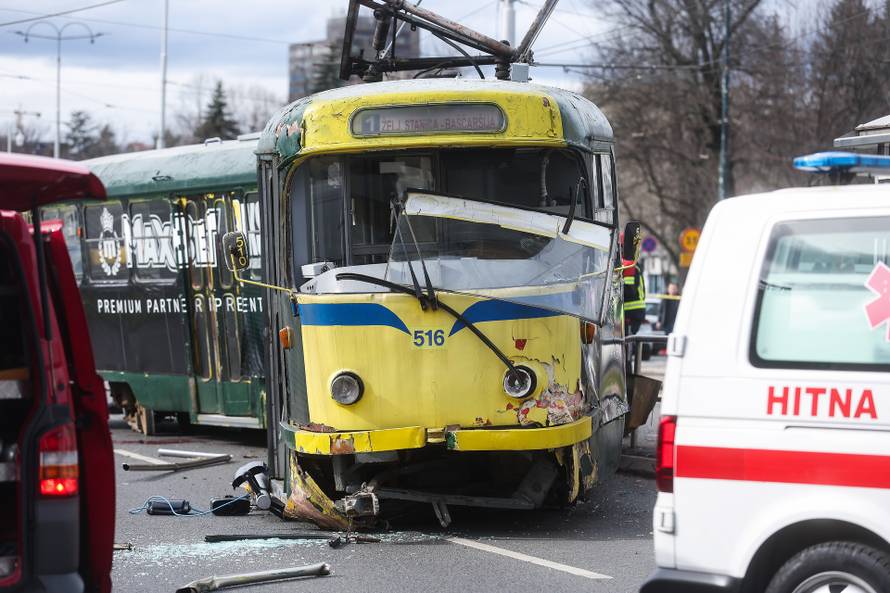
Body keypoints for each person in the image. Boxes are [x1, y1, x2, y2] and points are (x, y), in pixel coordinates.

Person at [623, 258, 646, 335]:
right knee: (631, 340)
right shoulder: (635, 266)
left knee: (627, 339)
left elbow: (630, 290)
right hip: (637, 310)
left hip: (631, 310)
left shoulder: (629, 266)